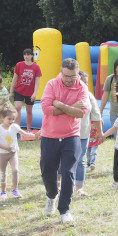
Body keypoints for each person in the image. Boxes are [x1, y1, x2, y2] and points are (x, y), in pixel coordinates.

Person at [39, 58, 88, 224]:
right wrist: (72, 107)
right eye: (66, 75)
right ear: (61, 71)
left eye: (72, 76)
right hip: (49, 135)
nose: (68, 79)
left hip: (71, 135)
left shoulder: (82, 87)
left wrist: (60, 104)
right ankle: (51, 196)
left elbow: (81, 113)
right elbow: (46, 109)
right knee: (47, 171)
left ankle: (65, 210)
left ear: (77, 74)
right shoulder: (52, 84)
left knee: (68, 172)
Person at [0, 107, 37, 199]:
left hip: (13, 153)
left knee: (15, 170)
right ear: (2, 118)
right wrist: (5, 148)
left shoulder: (15, 127)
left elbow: (25, 134)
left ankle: (15, 191)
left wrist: (35, 136)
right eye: (9, 119)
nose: (11, 121)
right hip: (3, 154)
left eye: (13, 119)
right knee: (3, 173)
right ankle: (3, 191)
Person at [74, 70, 102, 197]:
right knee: (63, 159)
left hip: (83, 133)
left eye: (87, 82)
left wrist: (100, 133)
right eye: (82, 82)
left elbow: (96, 115)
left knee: (80, 160)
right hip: (67, 133)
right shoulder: (70, 93)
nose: (85, 85)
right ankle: (59, 183)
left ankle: (79, 187)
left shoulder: (89, 96)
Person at [9, 48, 42, 132]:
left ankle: (28, 128)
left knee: (29, 110)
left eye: (28, 55)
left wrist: (35, 93)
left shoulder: (36, 67)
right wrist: (11, 92)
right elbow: (15, 78)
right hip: (19, 90)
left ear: (32, 56)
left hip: (30, 92)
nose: (26, 56)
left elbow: (37, 82)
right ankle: (18, 128)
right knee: (18, 107)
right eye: (25, 55)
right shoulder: (19, 65)